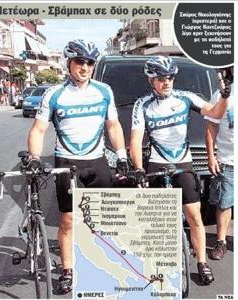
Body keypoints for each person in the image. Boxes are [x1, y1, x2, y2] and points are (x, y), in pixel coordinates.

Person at [27, 39, 128, 294]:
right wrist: (35, 156)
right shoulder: (54, 94)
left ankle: (99, 265)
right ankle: (68, 270)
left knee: (101, 219)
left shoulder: (104, 91)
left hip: (98, 161)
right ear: (69, 63)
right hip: (67, 163)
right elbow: (39, 129)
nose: (85, 67)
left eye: (90, 62)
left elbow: (113, 126)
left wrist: (122, 156)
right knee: (69, 220)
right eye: (80, 62)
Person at [130, 56, 230, 285]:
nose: (167, 82)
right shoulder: (142, 104)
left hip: (183, 165)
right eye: (161, 78)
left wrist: (224, 96)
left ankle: (202, 262)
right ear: (151, 80)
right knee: (158, 223)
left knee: (194, 216)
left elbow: (215, 113)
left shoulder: (185, 98)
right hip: (156, 164)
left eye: (170, 78)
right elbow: (135, 140)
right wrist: (137, 168)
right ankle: (158, 268)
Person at [205, 66, 234, 260]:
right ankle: (221, 241)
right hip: (228, 160)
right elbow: (211, 127)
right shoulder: (221, 96)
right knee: (224, 203)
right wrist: (211, 156)